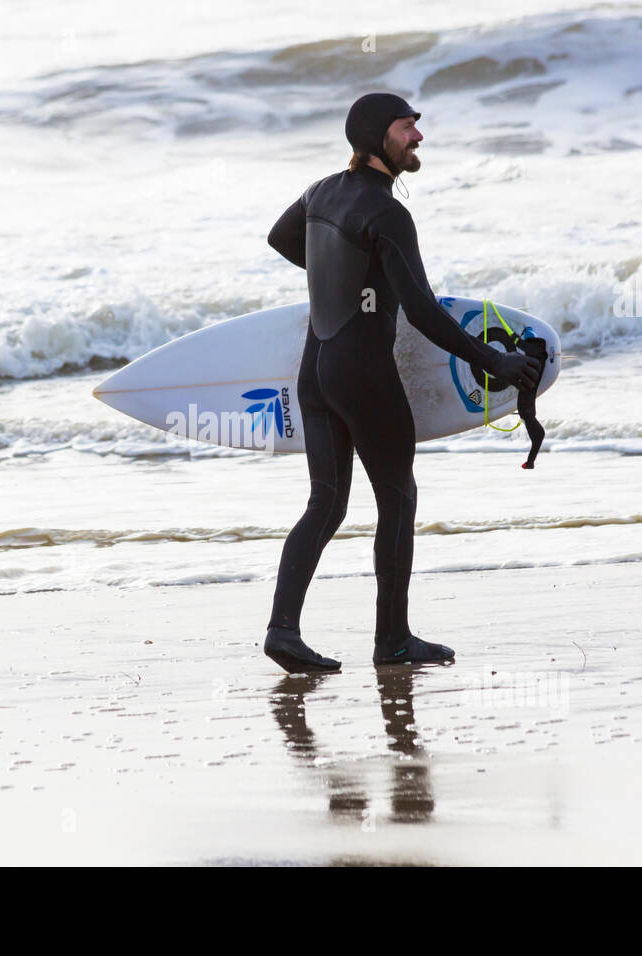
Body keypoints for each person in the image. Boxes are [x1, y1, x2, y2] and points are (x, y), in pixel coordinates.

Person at [262, 92, 543, 674]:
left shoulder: (321, 193)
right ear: (374, 135)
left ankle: (282, 631)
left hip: (316, 371)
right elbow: (420, 309)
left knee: (325, 505)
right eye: (406, 126)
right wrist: (492, 361)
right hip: (364, 374)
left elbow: (282, 239)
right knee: (397, 501)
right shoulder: (390, 215)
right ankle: (391, 640)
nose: (417, 136)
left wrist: (346, 280)